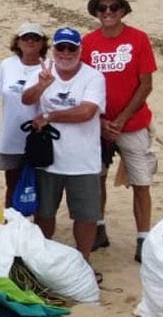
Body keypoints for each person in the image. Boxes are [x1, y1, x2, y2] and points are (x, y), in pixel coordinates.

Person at [80, 0, 157, 262]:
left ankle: (143, 239)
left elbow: (146, 84)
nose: (108, 13)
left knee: (141, 181)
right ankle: (99, 227)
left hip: (133, 123)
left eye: (114, 7)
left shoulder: (139, 39)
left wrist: (121, 120)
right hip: (97, 125)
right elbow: (82, 84)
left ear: (123, 10)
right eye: (103, 8)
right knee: (95, 177)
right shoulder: (88, 42)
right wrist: (101, 121)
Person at [23, 28, 107, 272]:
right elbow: (27, 100)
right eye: (61, 47)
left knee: (85, 215)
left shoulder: (94, 77)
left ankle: (83, 261)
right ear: (53, 49)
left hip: (83, 160)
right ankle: (43, 258)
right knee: (44, 212)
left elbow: (86, 112)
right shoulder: (44, 70)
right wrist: (41, 86)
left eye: (72, 48)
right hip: (49, 159)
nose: (66, 53)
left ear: (80, 50)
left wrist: (49, 115)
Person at [0, 23, 49, 208]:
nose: (31, 41)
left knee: (40, 186)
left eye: (36, 38)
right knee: (13, 185)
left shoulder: (50, 66)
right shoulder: (6, 65)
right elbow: (3, 97)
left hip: (40, 137)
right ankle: (11, 226)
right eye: (26, 38)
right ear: (18, 42)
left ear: (43, 43)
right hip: (11, 136)